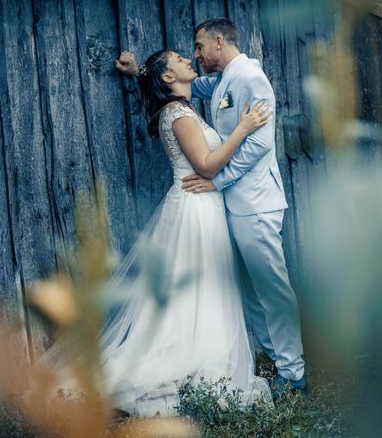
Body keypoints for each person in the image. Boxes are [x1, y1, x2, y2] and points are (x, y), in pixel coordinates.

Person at [115, 18, 307, 397]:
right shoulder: (218, 81)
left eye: (200, 48)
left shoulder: (250, 79)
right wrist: (142, 71)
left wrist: (216, 180)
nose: (196, 55)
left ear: (219, 43)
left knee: (271, 285)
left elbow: (259, 145)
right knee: (249, 289)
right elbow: (171, 88)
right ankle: (277, 360)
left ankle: (294, 371)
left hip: (253, 202)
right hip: (223, 208)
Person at [101, 49, 273, 415]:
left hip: (198, 205)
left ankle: (202, 355)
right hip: (195, 207)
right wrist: (243, 128)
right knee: (199, 287)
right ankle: (197, 362)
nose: (188, 61)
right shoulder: (178, 114)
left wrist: (137, 73)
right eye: (180, 59)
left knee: (199, 288)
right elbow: (206, 165)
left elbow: (163, 82)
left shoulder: (181, 106)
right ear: (167, 77)